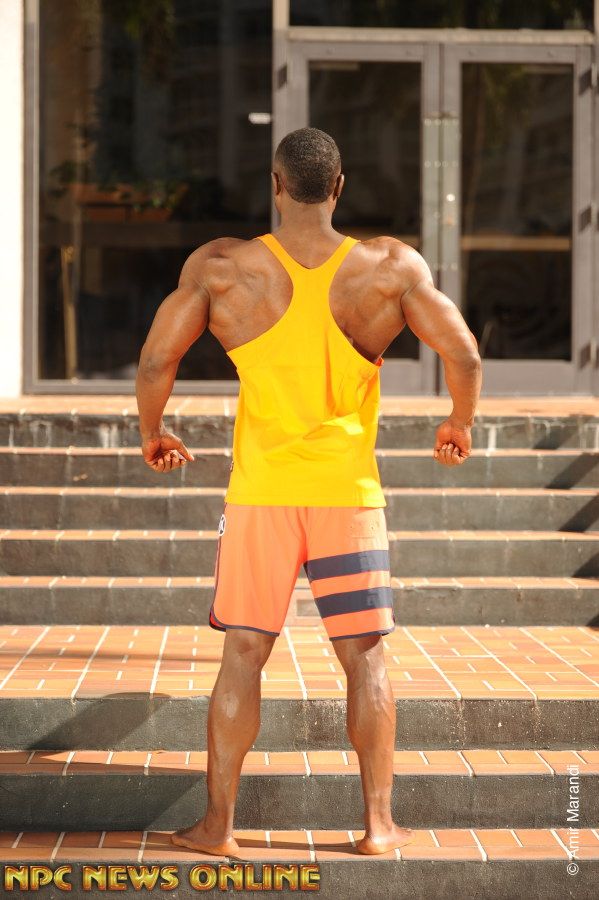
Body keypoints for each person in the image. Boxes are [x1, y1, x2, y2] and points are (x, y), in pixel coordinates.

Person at [135, 127, 482, 858]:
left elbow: (157, 359)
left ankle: (218, 828)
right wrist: (458, 421)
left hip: (261, 495)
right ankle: (379, 826)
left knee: (242, 655)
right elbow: (464, 352)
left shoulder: (222, 267)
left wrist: (154, 431)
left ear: (275, 184)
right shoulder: (389, 267)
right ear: (338, 187)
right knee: (366, 660)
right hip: (347, 496)